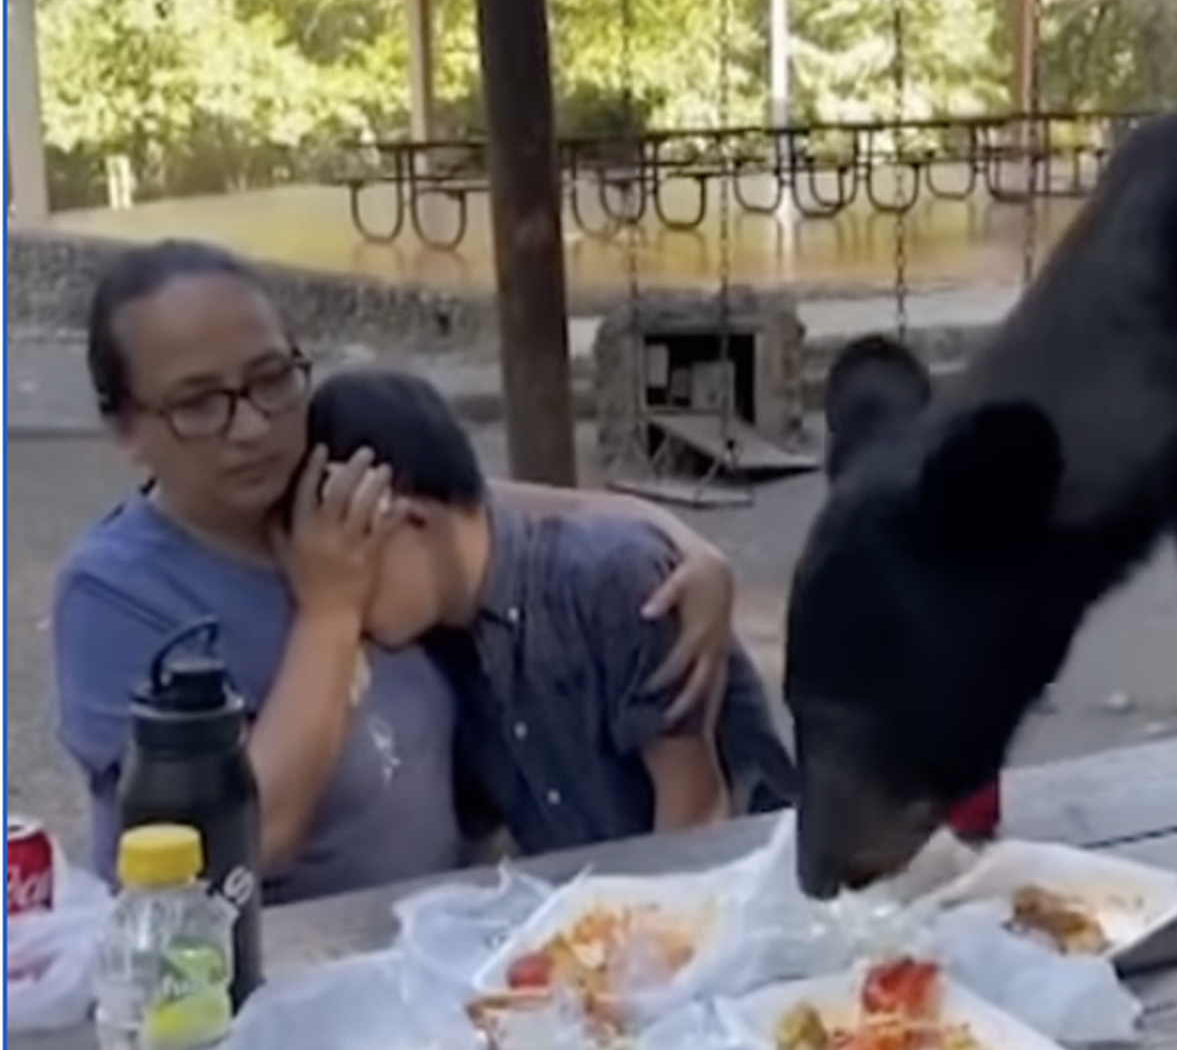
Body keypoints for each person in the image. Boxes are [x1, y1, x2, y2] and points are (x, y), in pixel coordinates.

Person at [52, 239, 740, 903]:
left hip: (438, 950)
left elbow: (475, 505)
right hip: (253, 981)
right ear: (125, 430)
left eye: (270, 379)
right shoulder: (116, 594)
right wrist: (330, 613)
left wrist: (687, 547)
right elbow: (248, 843)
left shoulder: (326, 485)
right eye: (199, 403)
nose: (254, 427)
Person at [296, 368, 798, 853]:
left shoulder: (614, 583)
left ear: (410, 521)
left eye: (349, 560)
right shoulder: (441, 640)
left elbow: (695, 816)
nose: (340, 590)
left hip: (736, 888)